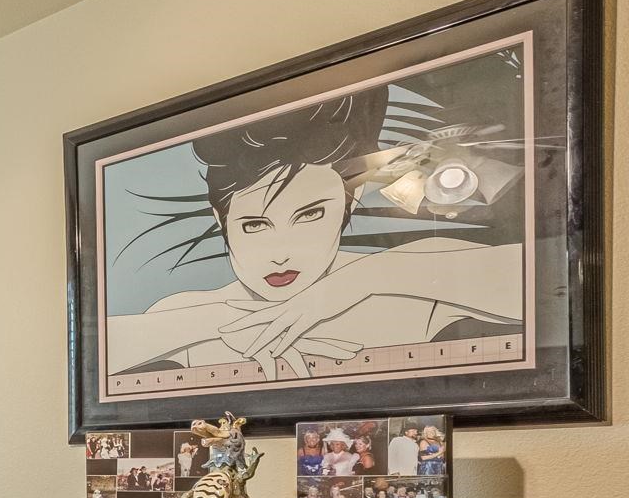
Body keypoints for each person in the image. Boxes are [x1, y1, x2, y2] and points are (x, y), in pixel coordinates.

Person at [105, 89, 524, 381]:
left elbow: (542, 287)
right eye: (254, 225)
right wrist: (228, 322)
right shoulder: (190, 309)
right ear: (221, 219)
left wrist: (358, 283)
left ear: (352, 199)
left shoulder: (410, 276)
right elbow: (97, 357)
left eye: (309, 215)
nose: (281, 254)